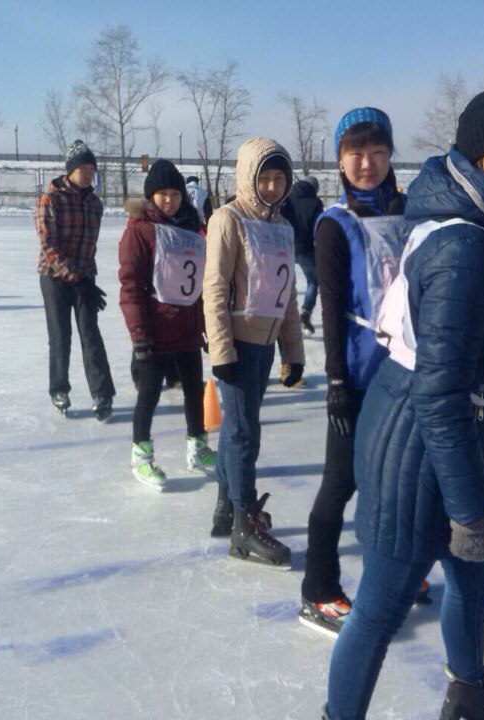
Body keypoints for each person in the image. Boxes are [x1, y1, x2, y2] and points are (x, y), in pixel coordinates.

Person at [323, 87, 484, 720]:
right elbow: (440, 391)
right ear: (478, 158)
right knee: (381, 605)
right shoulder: (466, 247)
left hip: (448, 436)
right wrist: (471, 507)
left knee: (475, 574)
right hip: (418, 449)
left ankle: (469, 696)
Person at [298, 107, 428, 638]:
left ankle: (395, 573)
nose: (367, 164)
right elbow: (331, 309)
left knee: (398, 481)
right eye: (356, 153)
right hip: (357, 374)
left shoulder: (412, 213)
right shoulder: (335, 224)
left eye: (377, 152)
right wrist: (334, 383)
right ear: (339, 160)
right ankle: (318, 590)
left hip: (408, 369)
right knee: (340, 483)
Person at [202, 137, 305, 568]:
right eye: (265, 178)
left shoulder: (282, 227)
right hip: (239, 344)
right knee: (244, 434)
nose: (272, 187)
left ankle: (227, 507)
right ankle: (244, 528)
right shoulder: (229, 219)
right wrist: (222, 351)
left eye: (280, 179)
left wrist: (293, 351)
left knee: (237, 430)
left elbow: (288, 295)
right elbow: (214, 287)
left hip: (265, 346)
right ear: (248, 178)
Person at [118, 160, 217, 488]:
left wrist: (205, 326)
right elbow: (130, 286)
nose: (169, 200)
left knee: (194, 391)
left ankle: (198, 447)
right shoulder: (140, 231)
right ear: (151, 196)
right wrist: (139, 334)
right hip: (155, 331)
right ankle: (141, 456)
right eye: (162, 194)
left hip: (186, 329)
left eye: (175, 194)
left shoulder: (191, 229)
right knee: (149, 395)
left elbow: (199, 284)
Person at [35, 139, 115, 421]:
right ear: (70, 170)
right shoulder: (50, 200)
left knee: (90, 333)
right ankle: (59, 388)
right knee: (60, 334)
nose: (89, 174)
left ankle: (102, 393)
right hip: (54, 277)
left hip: (84, 277)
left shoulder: (94, 204)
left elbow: (90, 246)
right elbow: (48, 246)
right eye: (84, 168)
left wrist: (86, 278)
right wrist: (75, 278)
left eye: (92, 169)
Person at [281, 175, 324, 334]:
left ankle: (281, 311)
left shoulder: (287, 198)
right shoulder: (316, 203)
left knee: (283, 281)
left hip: (286, 246)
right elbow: (318, 227)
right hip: (306, 249)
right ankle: (305, 313)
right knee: (313, 281)